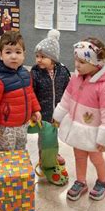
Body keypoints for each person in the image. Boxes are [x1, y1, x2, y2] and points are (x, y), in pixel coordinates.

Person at [53, 37, 105, 201]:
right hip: (78, 128)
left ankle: (103, 181)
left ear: (96, 63)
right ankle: (81, 181)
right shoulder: (76, 77)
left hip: (94, 131)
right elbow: (67, 97)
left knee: (96, 157)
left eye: (82, 61)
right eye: (76, 60)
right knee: (79, 155)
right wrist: (58, 115)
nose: (77, 65)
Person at [0, 31, 41, 152]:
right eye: (8, 52)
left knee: (19, 150)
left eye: (18, 52)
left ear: (24, 54)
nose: (13, 56)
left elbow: (30, 93)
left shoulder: (25, 73)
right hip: (5, 127)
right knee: (3, 153)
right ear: (0, 54)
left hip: (22, 124)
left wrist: (35, 109)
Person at [31, 29, 70, 166]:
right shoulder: (35, 73)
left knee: (54, 135)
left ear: (53, 58)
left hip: (58, 111)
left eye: (42, 57)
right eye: (37, 56)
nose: (38, 60)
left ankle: (54, 153)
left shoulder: (63, 71)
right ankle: (43, 157)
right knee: (44, 137)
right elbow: (31, 93)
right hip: (43, 112)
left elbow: (68, 90)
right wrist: (33, 111)